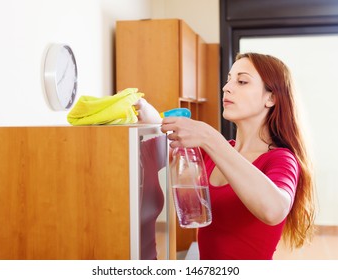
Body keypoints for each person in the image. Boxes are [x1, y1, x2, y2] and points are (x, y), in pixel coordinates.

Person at [134, 52, 316, 260]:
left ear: (271, 98)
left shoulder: (281, 159)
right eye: (229, 79)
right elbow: (167, 149)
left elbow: (274, 210)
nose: (227, 87)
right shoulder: (212, 152)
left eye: (242, 81)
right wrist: (153, 120)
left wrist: (211, 137)